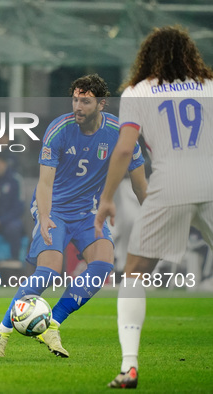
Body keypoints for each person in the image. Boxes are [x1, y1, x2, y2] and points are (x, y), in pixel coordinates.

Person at [0, 74, 147, 359]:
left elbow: (139, 184)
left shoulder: (120, 133)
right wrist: (45, 217)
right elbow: (45, 183)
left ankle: (54, 323)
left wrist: (152, 217)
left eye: (85, 101)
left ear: (101, 104)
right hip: (54, 209)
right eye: (75, 99)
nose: (77, 106)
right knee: (48, 271)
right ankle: (1, 333)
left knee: (102, 267)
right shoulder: (58, 129)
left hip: (88, 213)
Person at [94, 26, 213, 389]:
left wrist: (108, 197)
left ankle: (129, 366)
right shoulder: (210, 86)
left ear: (146, 56)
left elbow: (126, 150)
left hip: (169, 186)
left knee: (132, 274)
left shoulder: (138, 91)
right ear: (190, 53)